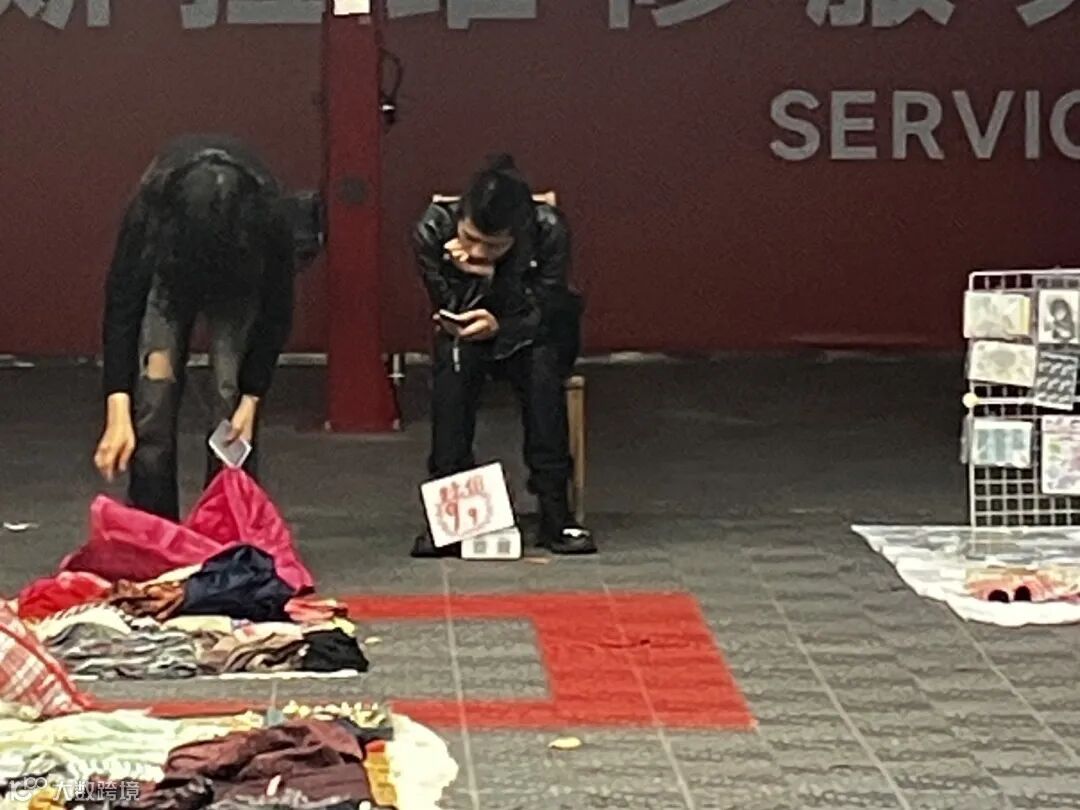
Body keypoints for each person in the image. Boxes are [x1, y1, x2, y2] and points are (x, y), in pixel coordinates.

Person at [93, 135, 309, 521]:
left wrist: (252, 398)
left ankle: (227, 521)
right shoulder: (151, 212)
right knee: (154, 397)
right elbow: (123, 306)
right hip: (169, 276)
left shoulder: (267, 218)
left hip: (239, 279)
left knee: (230, 400)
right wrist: (118, 407)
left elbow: (275, 314)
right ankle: (155, 522)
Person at [410, 154, 596, 557]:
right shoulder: (433, 229)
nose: (479, 250)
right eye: (470, 238)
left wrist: (494, 285)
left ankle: (556, 512)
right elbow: (447, 304)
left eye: (494, 246)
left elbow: (546, 305)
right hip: (470, 332)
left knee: (542, 375)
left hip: (536, 330)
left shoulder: (548, 230)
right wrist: (465, 280)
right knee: (452, 370)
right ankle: (449, 516)